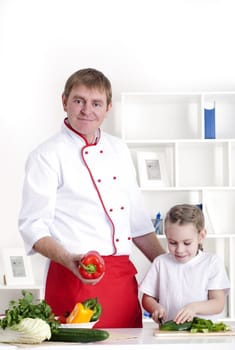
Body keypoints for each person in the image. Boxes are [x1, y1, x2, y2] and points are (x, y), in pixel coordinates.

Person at [18, 68, 165, 328]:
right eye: (79, 101)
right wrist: (68, 260)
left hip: (122, 279)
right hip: (73, 276)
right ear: (64, 101)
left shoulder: (118, 149)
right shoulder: (46, 155)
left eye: (96, 103)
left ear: (108, 107)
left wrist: (170, 268)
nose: (87, 110)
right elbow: (32, 226)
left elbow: (138, 223)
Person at [140, 204, 230, 325]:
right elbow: (147, 299)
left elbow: (218, 303)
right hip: (170, 332)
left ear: (201, 236)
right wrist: (155, 308)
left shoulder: (212, 263)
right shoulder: (161, 263)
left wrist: (194, 308)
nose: (179, 249)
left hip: (203, 332)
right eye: (172, 242)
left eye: (187, 243)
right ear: (166, 236)